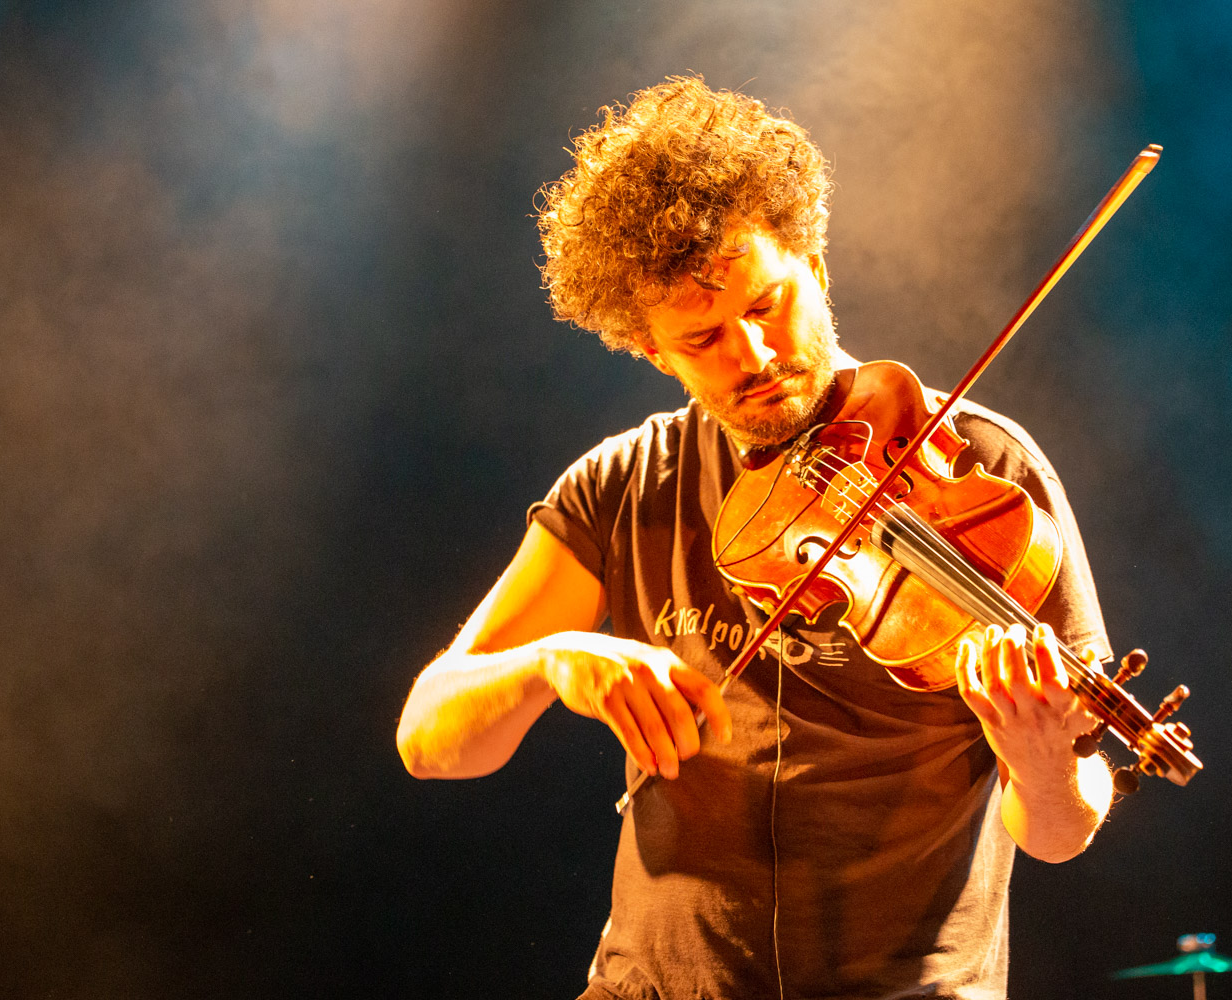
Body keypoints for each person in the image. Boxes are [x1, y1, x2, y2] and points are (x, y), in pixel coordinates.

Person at [396, 77, 1115, 1000]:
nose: (755, 355)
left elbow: (1057, 832)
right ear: (652, 350)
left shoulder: (979, 471)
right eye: (703, 340)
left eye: (768, 304)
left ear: (815, 265)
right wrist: (553, 662)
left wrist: (1042, 757)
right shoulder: (627, 484)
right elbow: (430, 737)